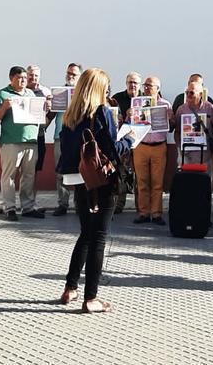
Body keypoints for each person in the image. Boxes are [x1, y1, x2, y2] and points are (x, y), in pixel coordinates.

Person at [57, 68, 135, 313]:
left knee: (85, 234)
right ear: (99, 89)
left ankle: (70, 288)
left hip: (78, 178)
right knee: (98, 237)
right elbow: (112, 150)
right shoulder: (101, 112)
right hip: (100, 181)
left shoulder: (70, 114)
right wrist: (130, 139)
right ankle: (91, 298)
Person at [0, 66, 44, 220]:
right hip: (11, 141)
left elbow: (38, 115)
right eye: (19, 78)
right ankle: (10, 207)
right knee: (9, 175)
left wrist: (44, 109)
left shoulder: (30, 93)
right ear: (11, 78)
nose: (23, 80)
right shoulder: (3, 94)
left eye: (25, 78)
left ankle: (27, 207)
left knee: (29, 175)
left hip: (31, 140)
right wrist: (4, 107)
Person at [131, 76, 173, 225]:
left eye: (150, 85)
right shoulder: (137, 103)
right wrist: (131, 115)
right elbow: (130, 125)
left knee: (157, 182)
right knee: (141, 181)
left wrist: (170, 118)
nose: (147, 88)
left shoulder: (165, 104)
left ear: (158, 88)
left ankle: (156, 213)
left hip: (158, 146)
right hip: (141, 146)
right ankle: (143, 212)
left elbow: (172, 127)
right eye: (145, 85)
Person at [50, 63, 82, 216]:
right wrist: (49, 105)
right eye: (69, 73)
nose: (70, 76)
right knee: (60, 171)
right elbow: (49, 116)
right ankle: (62, 204)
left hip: (78, 138)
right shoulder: (59, 93)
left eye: (74, 74)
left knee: (79, 171)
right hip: (59, 137)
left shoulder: (83, 94)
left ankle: (79, 204)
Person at [173, 80, 213, 176]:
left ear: (201, 94)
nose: (188, 95)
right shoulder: (181, 109)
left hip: (205, 156)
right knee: (186, 185)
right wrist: (180, 150)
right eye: (187, 92)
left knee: (204, 186)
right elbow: (177, 132)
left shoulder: (209, 108)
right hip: (186, 156)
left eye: (191, 92)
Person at [109, 71, 142, 213]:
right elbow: (112, 119)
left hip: (142, 141)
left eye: (135, 83)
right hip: (123, 141)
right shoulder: (116, 98)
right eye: (130, 82)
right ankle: (119, 204)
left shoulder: (146, 99)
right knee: (122, 172)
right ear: (126, 83)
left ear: (139, 85)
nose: (132, 85)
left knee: (140, 175)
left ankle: (140, 207)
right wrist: (124, 115)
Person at [26, 65, 51, 174]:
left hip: (39, 134)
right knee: (24, 167)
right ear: (26, 75)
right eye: (31, 75)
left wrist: (47, 122)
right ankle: (25, 191)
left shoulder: (45, 91)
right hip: (24, 133)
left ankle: (33, 191)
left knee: (36, 166)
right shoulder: (22, 90)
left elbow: (51, 112)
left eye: (36, 75)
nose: (33, 77)